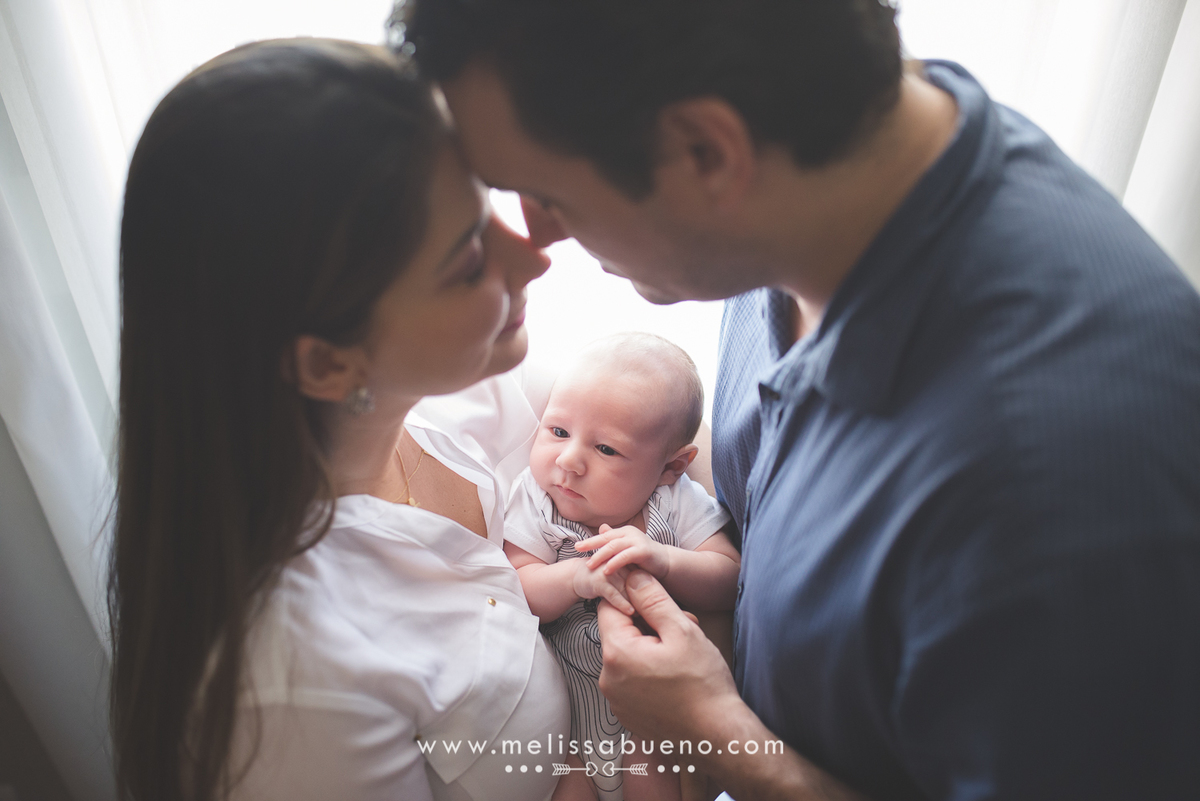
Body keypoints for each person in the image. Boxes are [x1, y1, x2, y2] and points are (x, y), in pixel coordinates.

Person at [398, 1, 1200, 800]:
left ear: (708, 154)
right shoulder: (785, 224)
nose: (537, 238)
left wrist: (715, 733)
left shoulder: (1058, 487)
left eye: (548, 191)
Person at [108, 39, 599, 801]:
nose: (533, 256)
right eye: (469, 261)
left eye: (488, 205)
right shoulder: (294, 684)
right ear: (328, 365)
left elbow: (649, 425)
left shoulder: (435, 395)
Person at [504, 332, 739, 801]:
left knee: (654, 772)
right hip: (567, 720)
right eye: (558, 431)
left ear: (672, 467)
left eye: (606, 450)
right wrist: (575, 577)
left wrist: (665, 560)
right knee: (558, 782)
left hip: (651, 718)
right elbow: (520, 588)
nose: (569, 460)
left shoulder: (673, 500)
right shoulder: (536, 499)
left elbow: (729, 578)